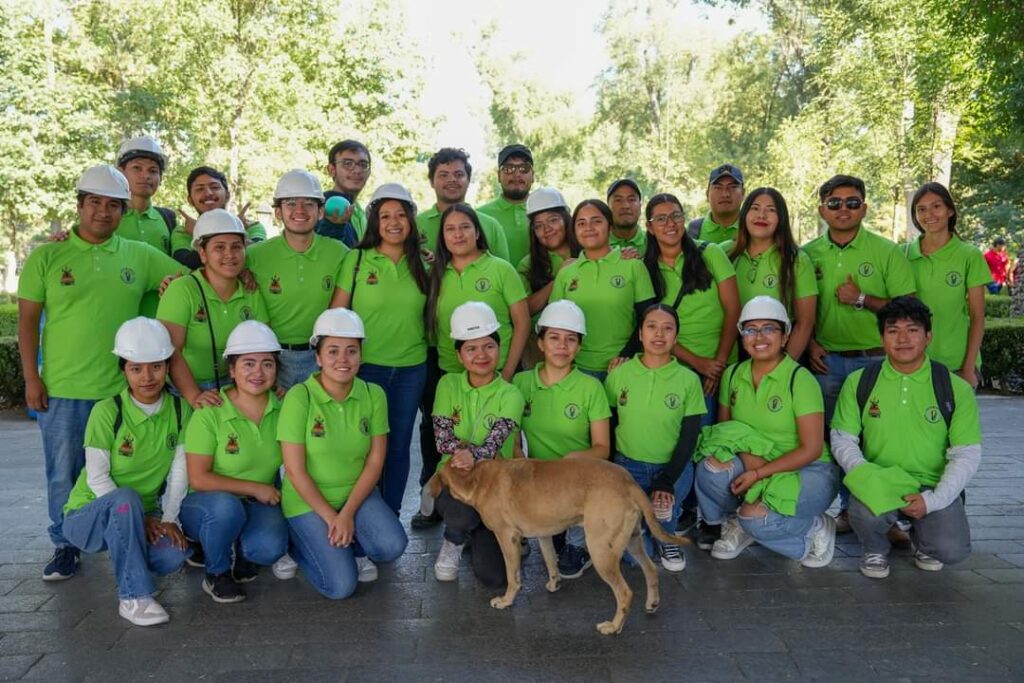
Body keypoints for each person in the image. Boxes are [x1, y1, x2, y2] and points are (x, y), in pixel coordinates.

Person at [17, 165, 183, 581]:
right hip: (63, 388)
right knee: (64, 472)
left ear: (124, 212)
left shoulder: (138, 255)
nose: (103, 212)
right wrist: (32, 379)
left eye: (113, 205)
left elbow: (187, 280)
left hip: (120, 391)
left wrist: (171, 288)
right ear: (79, 205)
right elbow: (26, 323)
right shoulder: (48, 256)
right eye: (95, 202)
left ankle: (126, 533)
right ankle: (65, 545)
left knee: (123, 471)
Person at [831, 297, 981, 578]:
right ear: (882, 337)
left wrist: (933, 500)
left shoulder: (954, 387)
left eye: (912, 330)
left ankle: (923, 539)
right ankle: (874, 548)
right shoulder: (860, 381)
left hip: (930, 485)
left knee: (950, 550)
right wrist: (865, 475)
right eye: (892, 331)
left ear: (928, 336)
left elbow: (966, 453)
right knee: (863, 508)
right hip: (880, 477)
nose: (902, 339)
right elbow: (842, 438)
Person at [803, 174, 916, 532]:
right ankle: (848, 511)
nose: (843, 209)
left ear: (865, 207)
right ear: (822, 209)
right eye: (834, 203)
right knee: (836, 440)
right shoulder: (808, 254)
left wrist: (863, 299)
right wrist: (808, 343)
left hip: (877, 361)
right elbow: (799, 309)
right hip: (827, 362)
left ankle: (890, 516)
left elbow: (908, 309)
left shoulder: (886, 251)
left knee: (880, 442)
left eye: (852, 202)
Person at [61, 317, 191, 625]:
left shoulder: (179, 408)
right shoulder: (107, 412)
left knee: (174, 553)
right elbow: (96, 477)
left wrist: (170, 519)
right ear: (123, 370)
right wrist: (141, 517)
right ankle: (133, 597)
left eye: (156, 366)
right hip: (87, 515)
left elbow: (179, 470)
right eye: (136, 368)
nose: (147, 376)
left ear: (168, 366)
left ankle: (128, 560)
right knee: (125, 498)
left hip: (140, 515)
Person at [694, 296, 839, 567]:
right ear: (742, 336)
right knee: (710, 469)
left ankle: (814, 529)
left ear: (785, 337)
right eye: (751, 329)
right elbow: (726, 433)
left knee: (757, 521)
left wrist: (760, 472)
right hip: (754, 461)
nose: (759, 337)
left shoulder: (800, 379)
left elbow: (812, 449)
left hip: (807, 471)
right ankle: (735, 523)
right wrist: (750, 461)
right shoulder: (733, 374)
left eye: (769, 328)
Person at [278, 308, 407, 599]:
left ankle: (346, 542)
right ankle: (299, 547)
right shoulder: (301, 397)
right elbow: (295, 470)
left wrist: (346, 514)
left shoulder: (374, 394)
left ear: (361, 355)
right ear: (318, 357)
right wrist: (330, 516)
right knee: (340, 587)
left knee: (391, 546)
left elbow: (375, 461)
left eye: (351, 351)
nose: (343, 360)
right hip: (307, 502)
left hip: (356, 496)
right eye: (333, 351)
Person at [332, 183, 430, 515]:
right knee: (364, 447)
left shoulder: (426, 262)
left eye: (401, 215)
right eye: (385, 215)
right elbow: (337, 316)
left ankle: (388, 516)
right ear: (374, 221)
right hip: (365, 369)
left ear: (411, 220)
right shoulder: (357, 259)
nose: (393, 222)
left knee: (398, 447)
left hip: (411, 370)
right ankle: (361, 516)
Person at [180, 321, 289, 604]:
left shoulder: (285, 409)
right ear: (232, 369)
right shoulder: (209, 412)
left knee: (268, 548)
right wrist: (256, 488)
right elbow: (198, 479)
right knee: (226, 509)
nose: (258, 372)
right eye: (248, 364)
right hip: (208, 504)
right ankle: (216, 573)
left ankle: (241, 548)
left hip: (254, 502)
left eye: (267, 364)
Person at [512, 300, 610, 579]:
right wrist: (522, 460)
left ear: (579, 346)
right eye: (554, 338)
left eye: (571, 339)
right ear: (540, 343)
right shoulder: (520, 383)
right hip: (533, 477)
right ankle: (534, 528)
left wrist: (568, 464)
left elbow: (603, 448)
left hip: (575, 480)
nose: (562, 346)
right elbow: (512, 439)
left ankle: (578, 545)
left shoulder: (591, 387)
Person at [604, 304, 705, 572]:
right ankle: (645, 529)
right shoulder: (618, 374)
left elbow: (689, 436)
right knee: (634, 557)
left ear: (675, 336)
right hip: (629, 466)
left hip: (672, 466)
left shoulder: (688, 379)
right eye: (651, 326)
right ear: (640, 334)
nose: (659, 334)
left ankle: (666, 535)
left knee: (664, 510)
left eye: (667, 328)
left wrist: (668, 480)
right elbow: (611, 425)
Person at [432, 302, 526, 586]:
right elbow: (441, 439)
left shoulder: (511, 394)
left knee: (494, 578)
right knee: (461, 512)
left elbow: (495, 441)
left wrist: (468, 451)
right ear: (459, 356)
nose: (481, 355)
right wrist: (469, 454)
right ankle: (454, 539)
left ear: (499, 349)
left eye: (488, 346)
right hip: (454, 478)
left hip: (496, 486)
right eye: (471, 349)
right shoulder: (447, 384)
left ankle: (477, 531)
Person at [246, 170, 348, 389]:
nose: (300, 210)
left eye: (309, 204)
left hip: (320, 357)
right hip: (271, 356)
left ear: (320, 211)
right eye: (291, 203)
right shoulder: (254, 256)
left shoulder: (339, 253)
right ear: (278, 213)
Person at [158, 209, 270, 408]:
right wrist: (194, 396)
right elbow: (170, 350)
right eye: (219, 247)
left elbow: (261, 347)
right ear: (203, 254)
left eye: (236, 247)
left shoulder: (251, 291)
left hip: (236, 386)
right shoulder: (182, 289)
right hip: (185, 388)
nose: (230, 254)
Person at [549, 199, 657, 381]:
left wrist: (626, 356)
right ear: (574, 231)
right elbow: (555, 326)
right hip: (576, 369)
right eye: (581, 223)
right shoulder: (566, 273)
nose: (588, 227)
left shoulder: (632, 266)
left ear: (610, 226)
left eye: (596, 221)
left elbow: (648, 319)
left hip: (624, 368)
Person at [905, 182, 989, 388]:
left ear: (950, 210)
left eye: (936, 206)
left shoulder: (969, 255)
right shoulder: (902, 255)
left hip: (956, 364)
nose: (929, 214)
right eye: (921, 209)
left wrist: (968, 369)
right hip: (912, 363)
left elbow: (978, 317)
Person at [727, 188, 817, 360]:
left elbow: (805, 323)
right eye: (755, 208)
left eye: (771, 210)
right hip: (734, 353)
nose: (762, 215)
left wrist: (782, 368)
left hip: (778, 352)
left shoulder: (796, 260)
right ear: (744, 214)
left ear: (781, 218)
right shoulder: (725, 254)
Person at [417, 147, 510, 262]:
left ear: (468, 180)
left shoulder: (491, 226)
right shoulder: (416, 225)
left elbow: (503, 274)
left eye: (459, 174)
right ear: (431, 181)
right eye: (443, 175)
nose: (452, 179)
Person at [170, 166, 267, 268]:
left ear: (227, 196)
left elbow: (258, 257)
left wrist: (238, 229)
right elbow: (185, 264)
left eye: (215, 187)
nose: (208, 193)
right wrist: (199, 232)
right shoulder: (182, 232)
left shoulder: (252, 226)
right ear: (190, 200)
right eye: (200, 189)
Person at [517, 187, 580, 317]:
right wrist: (559, 279)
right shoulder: (527, 264)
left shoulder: (586, 251)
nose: (547, 229)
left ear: (566, 220)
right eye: (539, 225)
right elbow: (524, 310)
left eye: (553, 220)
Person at [115, 136, 176, 255]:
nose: (146, 176)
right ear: (120, 173)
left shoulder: (168, 218)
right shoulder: (106, 216)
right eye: (137, 168)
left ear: (161, 178)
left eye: (153, 171)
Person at [478, 144, 535, 267]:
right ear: (499, 175)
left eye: (524, 168)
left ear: (533, 175)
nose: (517, 175)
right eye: (509, 168)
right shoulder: (479, 216)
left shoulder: (548, 214)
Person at [317, 139, 372, 247]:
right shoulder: (320, 208)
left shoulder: (359, 211)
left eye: (363, 164)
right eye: (347, 164)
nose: (357, 170)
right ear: (331, 170)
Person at [687, 164, 745, 244]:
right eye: (718, 187)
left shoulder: (755, 230)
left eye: (733, 187)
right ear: (707, 194)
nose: (725, 194)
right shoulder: (692, 232)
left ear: (743, 193)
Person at [607, 178, 647, 251]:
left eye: (631, 199)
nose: (625, 206)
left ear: (640, 206)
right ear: (608, 207)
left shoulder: (654, 243)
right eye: (618, 200)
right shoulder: (597, 244)